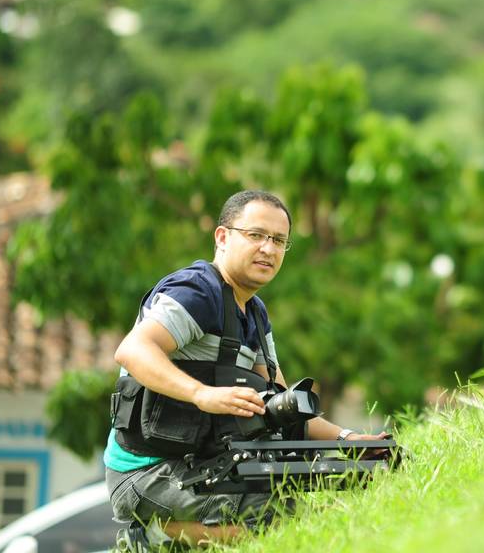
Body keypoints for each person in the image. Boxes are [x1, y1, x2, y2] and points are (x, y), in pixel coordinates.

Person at [104, 190, 387, 551]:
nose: (268, 249)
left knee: (322, 499)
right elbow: (132, 349)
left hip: (205, 464)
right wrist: (202, 394)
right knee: (281, 520)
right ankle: (150, 535)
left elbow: (284, 407)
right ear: (223, 237)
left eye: (279, 241)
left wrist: (347, 440)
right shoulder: (197, 291)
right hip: (146, 472)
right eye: (256, 235)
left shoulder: (254, 312)